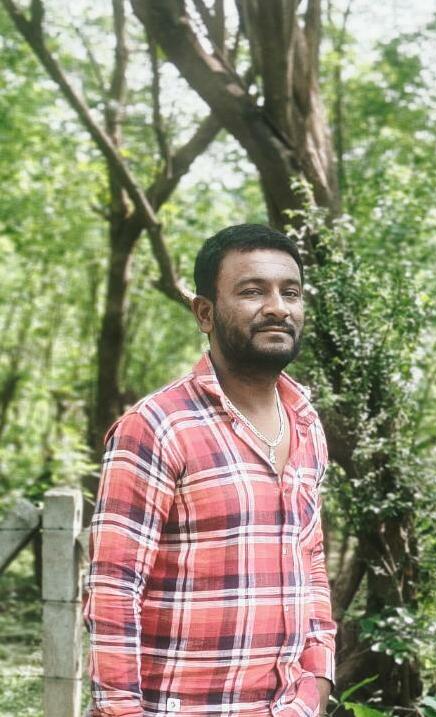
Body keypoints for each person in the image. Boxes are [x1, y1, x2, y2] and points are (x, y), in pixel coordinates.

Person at [83, 224, 337, 717]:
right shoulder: (157, 426)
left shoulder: (306, 421)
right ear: (205, 313)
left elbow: (311, 562)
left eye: (290, 293)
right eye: (252, 291)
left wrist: (319, 679)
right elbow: (113, 591)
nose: (277, 308)